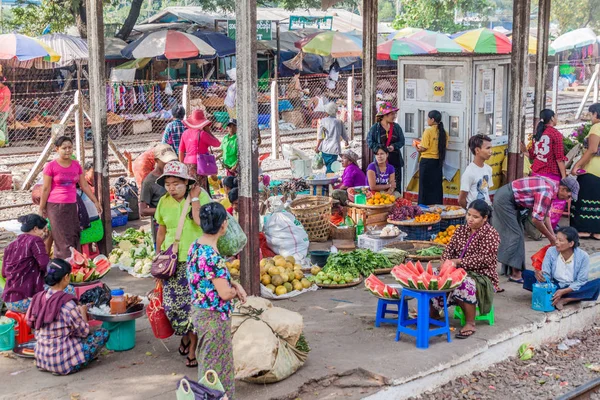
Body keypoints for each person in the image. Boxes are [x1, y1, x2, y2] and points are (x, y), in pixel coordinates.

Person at [187, 202, 247, 399]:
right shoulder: (212, 256)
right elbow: (224, 294)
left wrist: (234, 285)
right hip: (214, 318)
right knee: (216, 368)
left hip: (199, 313)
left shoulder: (195, 246)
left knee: (208, 362)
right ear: (223, 225)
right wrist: (235, 290)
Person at [155, 161, 211, 368]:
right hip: (172, 262)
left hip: (196, 260)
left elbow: (203, 223)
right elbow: (161, 230)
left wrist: (195, 198)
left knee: (194, 306)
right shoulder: (163, 201)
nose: (171, 187)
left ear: (187, 183)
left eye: (176, 183)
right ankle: (186, 336)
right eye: (168, 183)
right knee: (173, 308)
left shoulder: (201, 196)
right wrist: (157, 253)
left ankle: (193, 351)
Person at [26, 258, 109, 375]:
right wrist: (83, 313)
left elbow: (29, 321)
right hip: (62, 364)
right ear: (65, 277)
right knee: (103, 333)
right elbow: (83, 332)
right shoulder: (67, 304)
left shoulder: (37, 298)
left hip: (41, 359)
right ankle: (75, 362)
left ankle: (49, 364)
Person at [433, 200, 500, 339]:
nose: (470, 219)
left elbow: (484, 259)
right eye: (468, 215)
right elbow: (449, 250)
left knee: (464, 282)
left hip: (481, 276)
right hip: (457, 270)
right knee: (434, 275)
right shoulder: (461, 230)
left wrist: (458, 262)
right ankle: (434, 312)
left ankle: (470, 322)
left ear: (485, 218)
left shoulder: (491, 234)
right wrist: (443, 263)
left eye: (475, 217)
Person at [492, 175, 579, 283]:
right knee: (515, 235)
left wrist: (554, 237)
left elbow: (546, 215)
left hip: (512, 199)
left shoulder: (553, 187)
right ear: (563, 189)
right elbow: (536, 220)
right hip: (505, 199)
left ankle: (512, 270)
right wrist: (551, 238)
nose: (568, 199)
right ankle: (515, 274)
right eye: (569, 196)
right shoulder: (547, 192)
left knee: (516, 233)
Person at [39, 136, 102, 259]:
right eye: (64, 148)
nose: (68, 150)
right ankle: (63, 267)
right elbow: (46, 189)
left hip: (72, 205)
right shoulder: (50, 166)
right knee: (61, 237)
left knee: (74, 234)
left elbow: (84, 185)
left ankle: (74, 264)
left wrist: (95, 201)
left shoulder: (76, 165)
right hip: (55, 206)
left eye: (70, 147)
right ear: (57, 149)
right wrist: (42, 208)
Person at [523, 227, 600, 310]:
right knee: (527, 274)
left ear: (571, 244)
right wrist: (540, 275)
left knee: (597, 283)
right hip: (555, 285)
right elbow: (547, 274)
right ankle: (558, 295)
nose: (556, 242)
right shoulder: (551, 251)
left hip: (572, 287)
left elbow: (581, 280)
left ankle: (566, 299)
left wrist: (564, 291)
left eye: (560, 240)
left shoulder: (583, 256)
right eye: (556, 239)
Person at [522, 109, 567, 230]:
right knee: (551, 203)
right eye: (556, 116)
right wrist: (564, 176)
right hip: (550, 174)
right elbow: (559, 158)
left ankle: (535, 228)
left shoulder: (538, 134)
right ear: (552, 118)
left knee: (537, 202)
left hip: (536, 172)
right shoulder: (555, 134)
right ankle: (549, 228)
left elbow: (532, 154)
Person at [2, 215, 55, 313]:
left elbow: (4, 273)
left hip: (9, 300)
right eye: (43, 230)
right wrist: (59, 273)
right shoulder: (35, 240)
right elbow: (45, 265)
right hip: (26, 299)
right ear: (35, 228)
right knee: (68, 290)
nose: (44, 233)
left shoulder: (10, 245)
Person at [571, 103, 600, 239]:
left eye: (590, 114)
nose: (590, 117)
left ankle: (584, 230)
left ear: (596, 114)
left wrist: (577, 165)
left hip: (592, 170)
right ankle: (597, 231)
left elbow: (592, 150)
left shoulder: (596, 127)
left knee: (585, 199)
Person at [140, 144, 179, 244]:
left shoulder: (176, 175)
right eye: (166, 162)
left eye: (172, 161)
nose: (169, 164)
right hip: (160, 224)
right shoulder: (149, 181)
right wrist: (165, 210)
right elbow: (143, 210)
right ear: (156, 160)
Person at [367, 102, 405, 193]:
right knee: (380, 181)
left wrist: (394, 146)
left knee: (395, 184)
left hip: (395, 160)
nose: (394, 116)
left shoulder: (396, 127)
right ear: (384, 115)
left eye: (395, 114)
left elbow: (402, 141)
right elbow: (369, 142)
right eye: (392, 114)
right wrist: (381, 149)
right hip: (381, 160)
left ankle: (396, 201)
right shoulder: (375, 128)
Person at [179, 109, 221, 188]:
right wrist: (208, 131)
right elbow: (217, 144)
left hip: (187, 163)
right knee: (200, 188)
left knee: (190, 186)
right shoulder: (203, 134)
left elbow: (181, 151)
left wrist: (182, 164)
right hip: (200, 163)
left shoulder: (185, 133)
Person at [417, 110, 448, 205]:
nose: (427, 120)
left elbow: (423, 148)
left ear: (432, 119)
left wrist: (416, 146)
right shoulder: (444, 132)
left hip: (426, 162)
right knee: (436, 186)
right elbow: (444, 147)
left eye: (428, 118)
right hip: (438, 162)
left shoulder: (428, 131)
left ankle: (423, 207)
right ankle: (437, 206)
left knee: (424, 187)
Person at [459, 134, 493, 208]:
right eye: (488, 148)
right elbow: (461, 199)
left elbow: (486, 191)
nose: (491, 151)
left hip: (486, 210)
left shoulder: (488, 169)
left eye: (491, 148)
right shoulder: (469, 173)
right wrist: (471, 212)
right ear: (477, 150)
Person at [315, 102, 349, 173]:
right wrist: (346, 141)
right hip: (334, 149)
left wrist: (317, 147)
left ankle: (328, 182)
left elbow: (320, 136)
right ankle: (329, 182)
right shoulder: (339, 122)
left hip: (324, 149)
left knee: (328, 167)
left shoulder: (323, 121)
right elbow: (344, 134)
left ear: (327, 112)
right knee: (331, 169)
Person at [0, 78, 11, 146]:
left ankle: (4, 141)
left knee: (1, 126)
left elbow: (6, 101)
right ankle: (5, 142)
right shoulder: (1, 90)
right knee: (3, 126)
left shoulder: (6, 90)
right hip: (1, 110)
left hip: (3, 110)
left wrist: (0, 109)